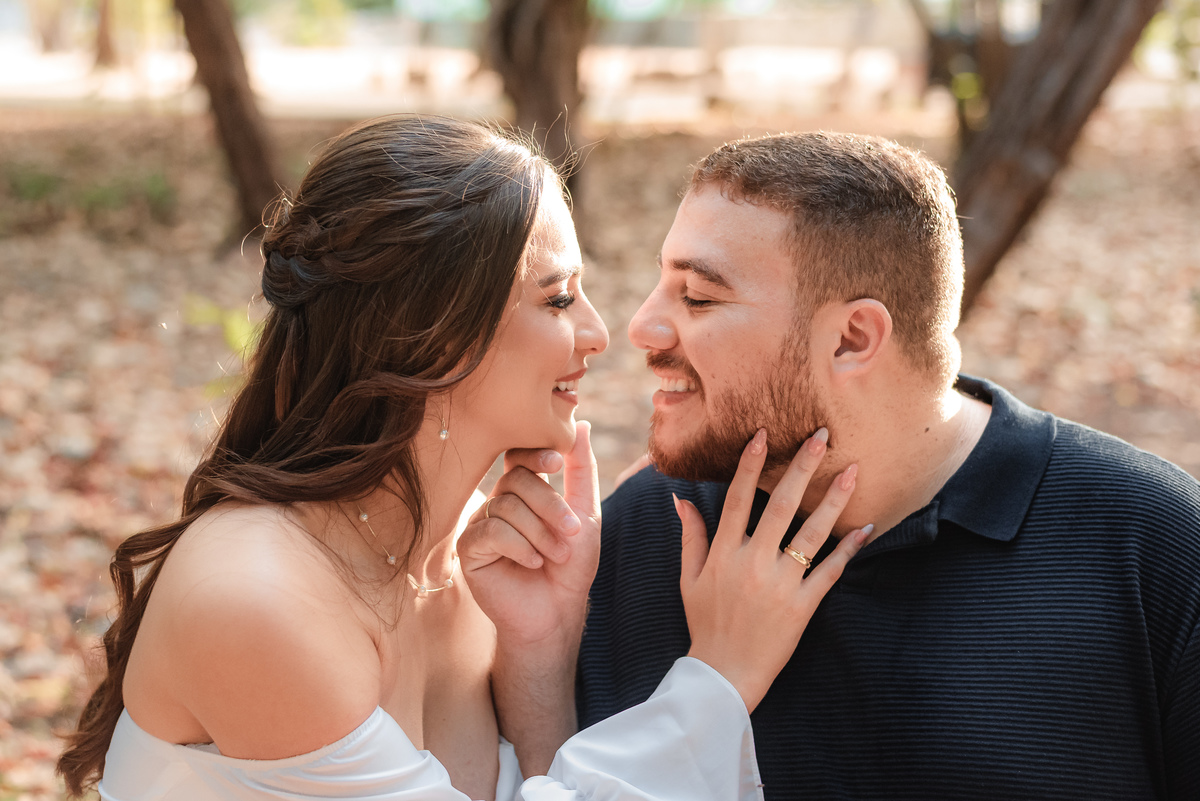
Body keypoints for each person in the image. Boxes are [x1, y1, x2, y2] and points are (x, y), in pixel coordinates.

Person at [55, 116, 871, 801]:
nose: (597, 331)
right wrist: (716, 681)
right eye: (557, 297)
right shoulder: (257, 600)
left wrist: (539, 653)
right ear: (435, 337)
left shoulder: (470, 565)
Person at [489, 131, 1200, 798]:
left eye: (698, 296)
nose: (639, 327)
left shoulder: (1154, 548)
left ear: (853, 338)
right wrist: (540, 656)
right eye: (661, 284)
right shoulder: (645, 529)